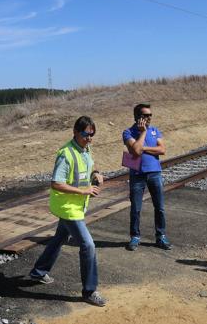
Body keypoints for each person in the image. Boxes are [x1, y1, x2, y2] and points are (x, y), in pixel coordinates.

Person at [29, 116, 107, 307]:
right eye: (85, 134)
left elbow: (88, 167)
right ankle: (89, 291)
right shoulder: (66, 154)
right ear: (75, 132)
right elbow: (56, 183)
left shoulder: (85, 149)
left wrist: (96, 174)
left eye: (92, 135)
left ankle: (38, 271)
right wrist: (84, 190)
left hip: (77, 206)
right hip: (68, 208)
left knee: (60, 238)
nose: (89, 138)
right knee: (88, 246)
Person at [122, 103, 171, 251]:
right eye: (146, 115)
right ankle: (135, 237)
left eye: (150, 115)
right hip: (137, 175)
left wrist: (143, 147)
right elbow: (136, 152)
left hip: (155, 173)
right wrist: (142, 133)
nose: (149, 118)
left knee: (160, 207)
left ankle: (160, 236)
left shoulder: (155, 131)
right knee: (136, 208)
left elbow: (162, 150)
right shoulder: (128, 132)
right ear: (138, 117)